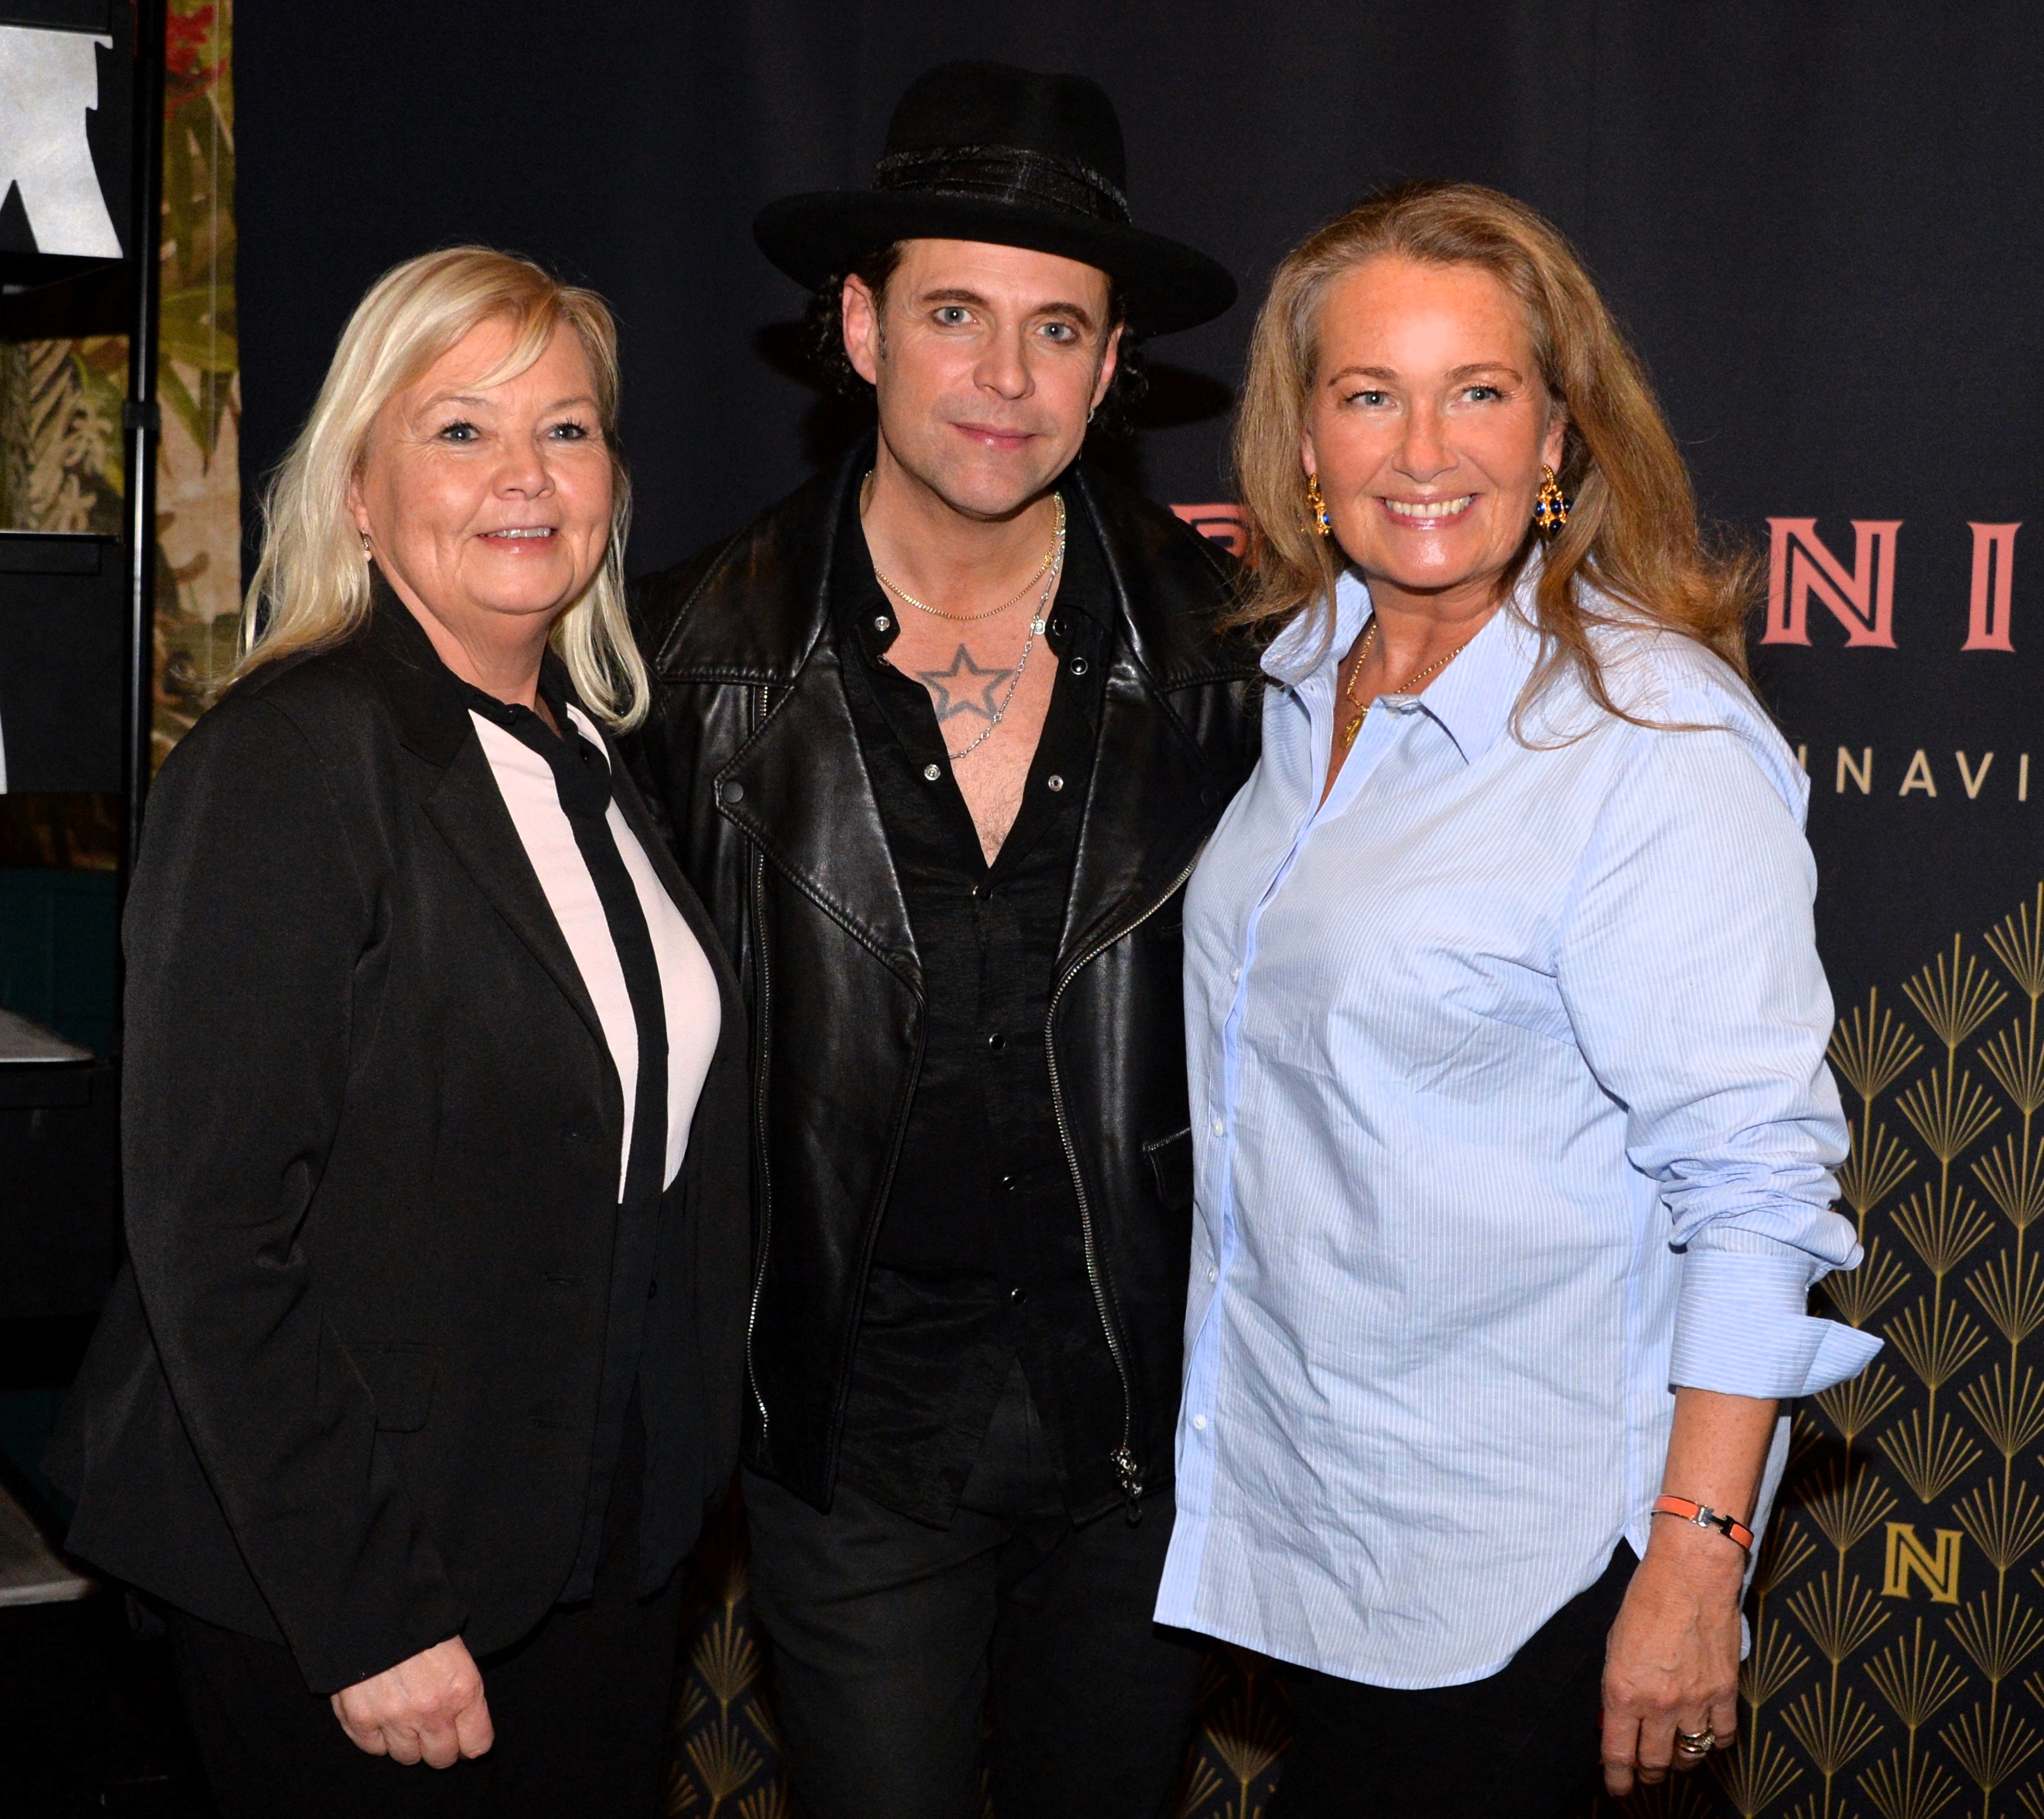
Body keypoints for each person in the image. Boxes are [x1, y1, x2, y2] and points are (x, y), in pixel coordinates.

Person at [1154, 182, 1881, 1818]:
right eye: (1370, 395)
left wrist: (1695, 1567)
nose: (1425, 451)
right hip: (1332, 1542)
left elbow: (1754, 1188)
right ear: (1303, 442)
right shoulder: (1296, 685)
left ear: (1557, 434)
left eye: (1478, 391)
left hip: (1535, 1578)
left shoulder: (1649, 740)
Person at [629, 61, 1259, 1819]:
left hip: (1145, 1427)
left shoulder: (1243, 662)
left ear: (1114, 368)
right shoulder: (688, 662)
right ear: (860, 325)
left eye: (1059, 330)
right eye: (955, 313)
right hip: (850, 1438)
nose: (1006, 377)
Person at [46, 248, 749, 1819]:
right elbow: (212, 1236)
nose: (526, 475)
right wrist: (367, 1608)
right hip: (362, 1591)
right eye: (460, 430)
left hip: (591, 1565)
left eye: (566, 430)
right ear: (360, 492)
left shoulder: (589, 755)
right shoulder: (291, 760)